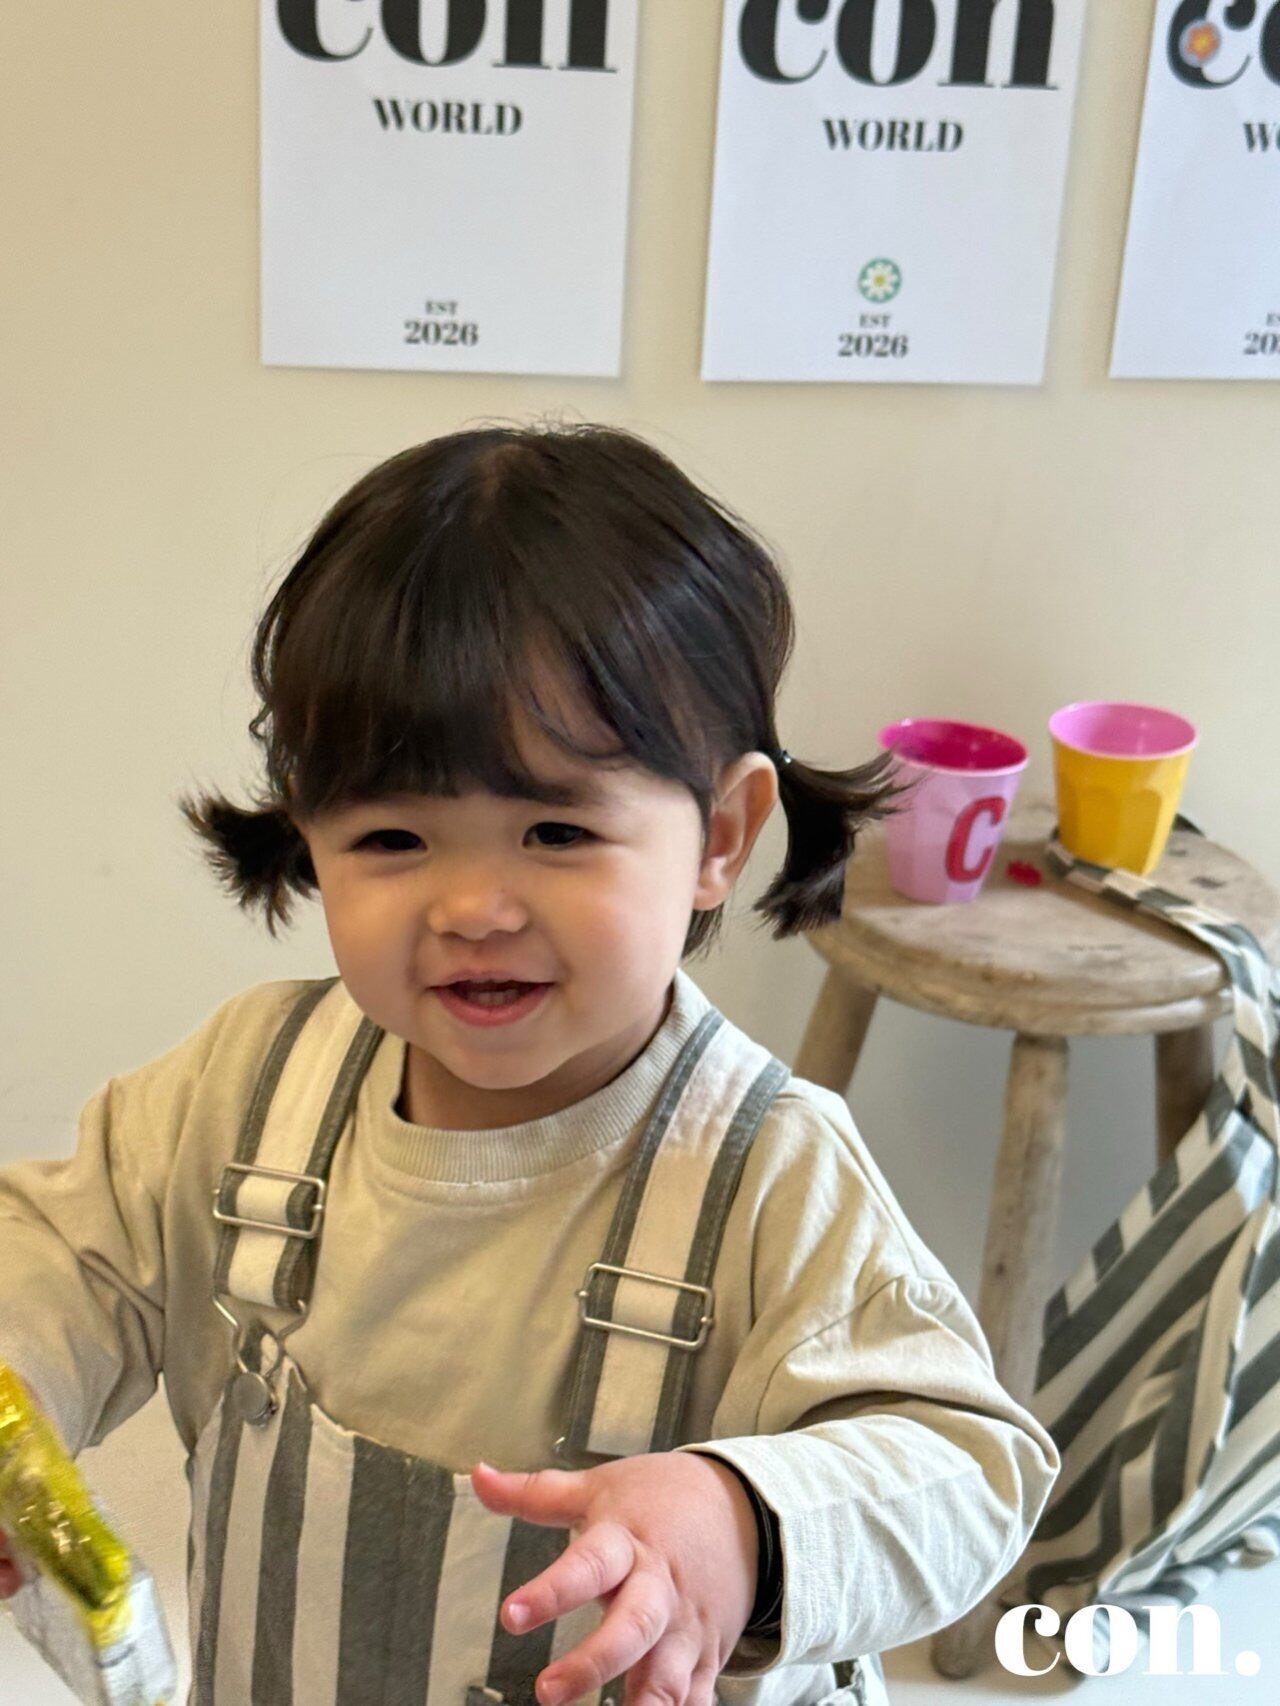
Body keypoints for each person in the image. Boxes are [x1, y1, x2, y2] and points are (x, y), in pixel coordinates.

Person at [0, 421, 1059, 1706]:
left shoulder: (766, 1169)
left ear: (721, 835)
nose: (472, 907)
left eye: (555, 829)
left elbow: (964, 1466)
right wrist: (18, 1398)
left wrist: (741, 1516)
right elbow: (55, 1255)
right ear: (308, 833)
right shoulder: (242, 1089)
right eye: (393, 838)